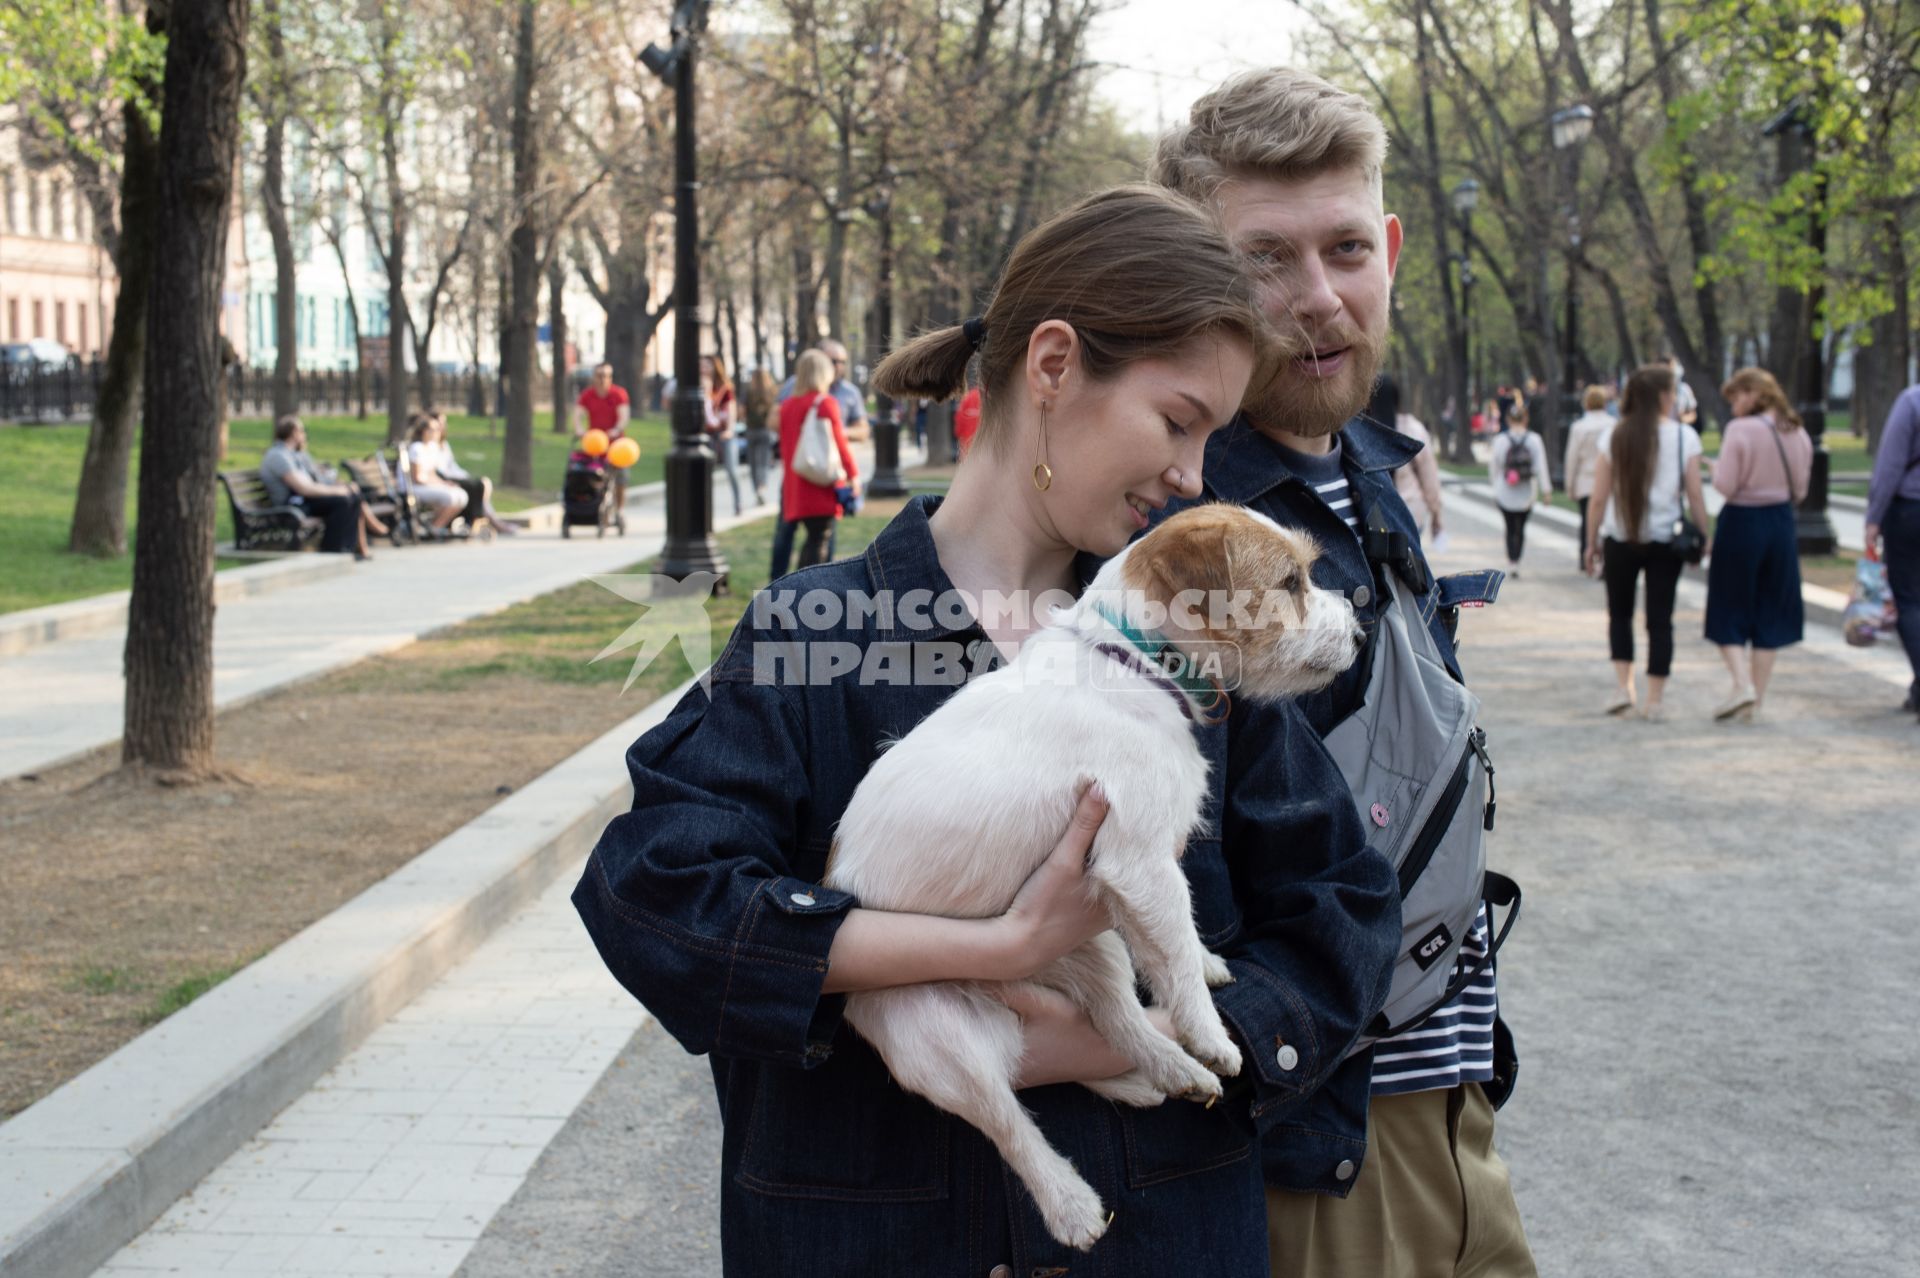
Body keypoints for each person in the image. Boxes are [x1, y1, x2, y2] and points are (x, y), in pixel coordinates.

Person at [572, 183, 1395, 1275]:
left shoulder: (1191, 649)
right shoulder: (818, 634)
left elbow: (1341, 910)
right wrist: (994, 953)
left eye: (1214, 435)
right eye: (1179, 421)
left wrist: (1192, 1037)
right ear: (1054, 367)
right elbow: (655, 896)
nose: (1195, 476)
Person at [1153, 67, 1535, 1278]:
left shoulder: (1368, 477)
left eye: (1347, 248)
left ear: (1394, 249)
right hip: (1318, 1154)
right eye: (1267, 258)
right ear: (1195, 274)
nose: (1319, 299)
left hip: (1452, 1108)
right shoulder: (1185, 528)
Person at [1583, 364, 1709, 721]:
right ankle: (1655, 699)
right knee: (1661, 619)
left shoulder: (1614, 436)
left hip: (1620, 537)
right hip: (1666, 540)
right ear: (1663, 396)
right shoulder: (1685, 437)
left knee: (1619, 614)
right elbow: (1696, 495)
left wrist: (1591, 542)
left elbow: (1598, 497)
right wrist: (1704, 532)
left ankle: (1624, 688)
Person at [1704, 367, 1812, 721]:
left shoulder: (1741, 430)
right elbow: (1801, 489)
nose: (1733, 404)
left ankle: (1741, 685)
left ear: (1753, 393)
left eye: (1736, 396)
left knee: (1728, 603)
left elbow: (1727, 485)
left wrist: (1714, 468)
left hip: (1742, 521)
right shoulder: (1796, 431)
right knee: (1771, 609)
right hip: (1780, 523)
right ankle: (1757, 700)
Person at [1863, 382, 1920, 719]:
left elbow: (1890, 464)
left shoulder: (1913, 401)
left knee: (1909, 601)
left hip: (1910, 512)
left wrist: (1874, 517)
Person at [258, 415, 388, 560]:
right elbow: (303, 488)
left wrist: (340, 485)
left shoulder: (296, 454)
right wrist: (338, 491)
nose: (304, 435)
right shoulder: (279, 456)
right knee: (342, 501)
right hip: (292, 504)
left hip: (303, 499)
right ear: (294, 432)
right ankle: (333, 549)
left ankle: (348, 547)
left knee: (352, 498)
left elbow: (316, 479)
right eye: (302, 430)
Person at [778, 350, 859, 568]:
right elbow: (839, 445)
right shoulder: (824, 403)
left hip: (797, 483)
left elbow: (786, 448)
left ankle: (799, 590)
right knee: (819, 542)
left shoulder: (786, 406)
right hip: (820, 483)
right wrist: (853, 475)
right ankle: (808, 593)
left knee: (812, 540)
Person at [1368, 374, 1443, 545]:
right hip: (1410, 514)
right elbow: (1428, 476)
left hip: (1374, 518)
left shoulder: (1361, 431)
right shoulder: (1413, 429)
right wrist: (1436, 513)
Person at [422, 412, 517, 535]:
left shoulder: (443, 444)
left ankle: (484, 521)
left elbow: (452, 466)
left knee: (482, 484)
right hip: (443, 478)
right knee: (478, 486)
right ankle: (485, 522)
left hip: (450, 476)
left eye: (443, 423)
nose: (442, 426)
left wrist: (464, 476)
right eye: (438, 424)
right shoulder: (427, 446)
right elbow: (435, 470)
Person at [1488, 400, 1551, 577]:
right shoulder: (1534, 440)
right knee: (1520, 528)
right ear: (1526, 419)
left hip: (1505, 491)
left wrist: (1494, 487)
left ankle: (1512, 561)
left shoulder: (1500, 440)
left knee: (1509, 527)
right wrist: (1546, 490)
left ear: (1508, 420)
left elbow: (1494, 467)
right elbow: (1540, 466)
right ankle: (1517, 558)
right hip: (1526, 492)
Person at [1565, 385, 1615, 568]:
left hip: (1585, 481)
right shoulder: (1612, 425)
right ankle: (1604, 559)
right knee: (1606, 521)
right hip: (1608, 481)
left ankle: (1585, 555)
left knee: (1587, 520)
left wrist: (1570, 485)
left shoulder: (1579, 427)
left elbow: (1572, 459)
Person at [573, 362, 632, 507]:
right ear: (593, 377)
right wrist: (579, 430)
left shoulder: (618, 393)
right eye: (599, 375)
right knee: (591, 475)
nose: (603, 379)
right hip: (595, 444)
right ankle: (595, 506)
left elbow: (623, 416)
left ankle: (620, 510)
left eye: (606, 376)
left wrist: (616, 430)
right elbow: (577, 415)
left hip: (616, 445)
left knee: (621, 478)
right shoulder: (588, 395)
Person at [401, 415, 471, 536]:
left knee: (461, 495)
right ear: (423, 431)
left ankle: (435, 526)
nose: (436, 432)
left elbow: (431, 473)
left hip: (426, 485)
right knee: (451, 498)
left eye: (437, 429)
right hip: (413, 487)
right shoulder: (416, 448)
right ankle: (433, 528)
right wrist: (438, 484)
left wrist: (444, 483)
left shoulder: (432, 448)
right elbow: (417, 478)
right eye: (432, 429)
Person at [703, 353, 743, 516]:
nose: (703, 368)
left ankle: (737, 502)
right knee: (705, 472)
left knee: (731, 469)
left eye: (706, 365)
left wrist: (730, 430)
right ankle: (705, 506)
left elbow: (731, 409)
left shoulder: (724, 388)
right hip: (706, 434)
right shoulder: (698, 386)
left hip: (723, 432)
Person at [742, 367, 779, 505]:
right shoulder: (772, 391)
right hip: (765, 430)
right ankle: (761, 488)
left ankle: (756, 489)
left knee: (753, 463)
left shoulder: (748, 392)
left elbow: (742, 410)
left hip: (752, 430)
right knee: (763, 461)